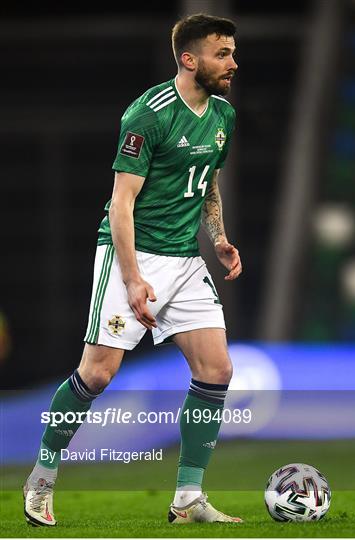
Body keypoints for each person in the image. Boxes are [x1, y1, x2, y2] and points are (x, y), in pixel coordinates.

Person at [23, 13, 242, 526]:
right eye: (222, 53)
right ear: (189, 59)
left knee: (217, 370)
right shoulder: (148, 114)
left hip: (184, 258)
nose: (233, 62)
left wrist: (220, 239)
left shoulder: (224, 116)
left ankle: (188, 497)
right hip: (131, 253)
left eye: (232, 52)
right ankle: (42, 477)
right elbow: (122, 203)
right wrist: (133, 278)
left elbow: (206, 181)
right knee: (97, 373)